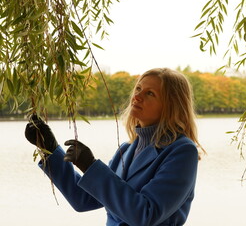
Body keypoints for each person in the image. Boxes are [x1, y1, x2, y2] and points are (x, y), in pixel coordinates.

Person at [25, 68, 204, 226]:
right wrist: (50, 149)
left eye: (150, 93)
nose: (137, 96)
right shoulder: (126, 150)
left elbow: (145, 215)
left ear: (171, 105)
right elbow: (83, 199)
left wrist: (91, 166)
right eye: (138, 89)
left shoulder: (182, 151)